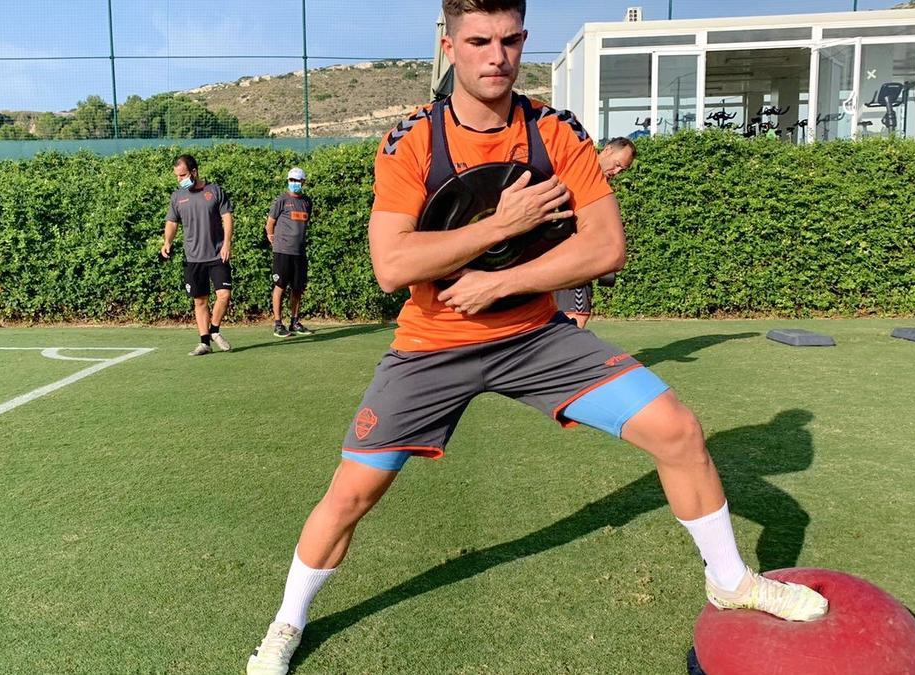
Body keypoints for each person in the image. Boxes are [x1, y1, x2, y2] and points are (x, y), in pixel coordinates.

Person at [247, 2, 827, 672]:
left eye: (511, 39)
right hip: (432, 343)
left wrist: (499, 280)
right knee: (350, 494)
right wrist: (500, 223)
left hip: (533, 336)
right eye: (478, 40)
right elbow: (392, 265)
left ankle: (729, 579)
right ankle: (288, 621)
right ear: (449, 46)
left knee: (677, 428)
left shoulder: (555, 131)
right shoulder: (410, 140)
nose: (497, 55)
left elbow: (607, 246)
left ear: (524, 39)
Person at [555, 136, 635, 328]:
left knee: (568, 316)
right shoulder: (576, 171)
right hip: (570, 257)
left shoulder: (600, 186)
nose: (616, 172)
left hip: (570, 257)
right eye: (616, 165)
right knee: (576, 316)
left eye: (622, 170)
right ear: (607, 150)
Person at [161, 154, 235, 356]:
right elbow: (172, 222)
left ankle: (214, 329)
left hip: (217, 254)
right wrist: (167, 241)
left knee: (224, 295)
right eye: (177, 176)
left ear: (194, 171)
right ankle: (205, 343)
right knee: (200, 301)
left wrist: (227, 243)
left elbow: (227, 217)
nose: (180, 179)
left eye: (183, 175)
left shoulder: (215, 191)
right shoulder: (177, 196)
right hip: (193, 258)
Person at [267, 167, 314, 338]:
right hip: (282, 252)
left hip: (300, 253)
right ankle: (278, 324)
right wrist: (273, 239)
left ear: (303, 182)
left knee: (297, 288)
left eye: (297, 181)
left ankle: (294, 321)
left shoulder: (307, 202)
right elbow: (270, 223)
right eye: (291, 180)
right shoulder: (281, 200)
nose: (294, 184)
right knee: (280, 286)